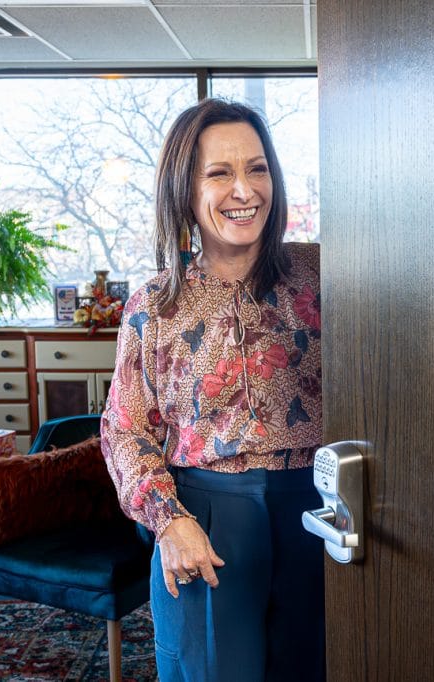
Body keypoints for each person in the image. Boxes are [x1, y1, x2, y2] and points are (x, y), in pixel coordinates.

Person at [101, 98, 325, 682]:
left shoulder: (324, 275)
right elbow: (124, 429)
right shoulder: (154, 305)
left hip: (319, 508)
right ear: (184, 189)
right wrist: (168, 518)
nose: (244, 190)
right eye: (219, 173)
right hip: (203, 517)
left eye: (257, 169)